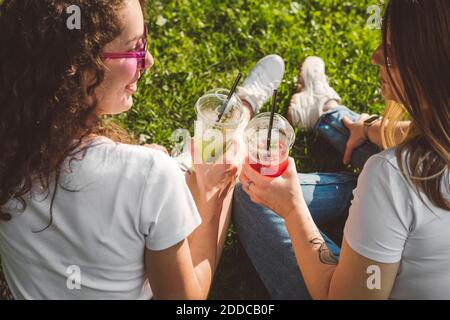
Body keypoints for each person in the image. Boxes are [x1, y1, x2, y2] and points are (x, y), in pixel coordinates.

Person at [0, 0, 285, 300]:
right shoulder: (150, 175)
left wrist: (142, 172)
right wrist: (213, 194)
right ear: (81, 67)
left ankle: (232, 118)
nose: (147, 60)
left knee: (173, 178)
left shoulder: (11, 140)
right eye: (135, 48)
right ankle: (240, 115)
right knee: (216, 168)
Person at [233, 0, 449, 299]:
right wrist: (370, 127)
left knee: (253, 192)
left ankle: (324, 128)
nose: (375, 57)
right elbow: (429, 135)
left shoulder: (390, 176)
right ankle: (327, 111)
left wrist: (292, 206)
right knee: (370, 137)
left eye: (392, 55)